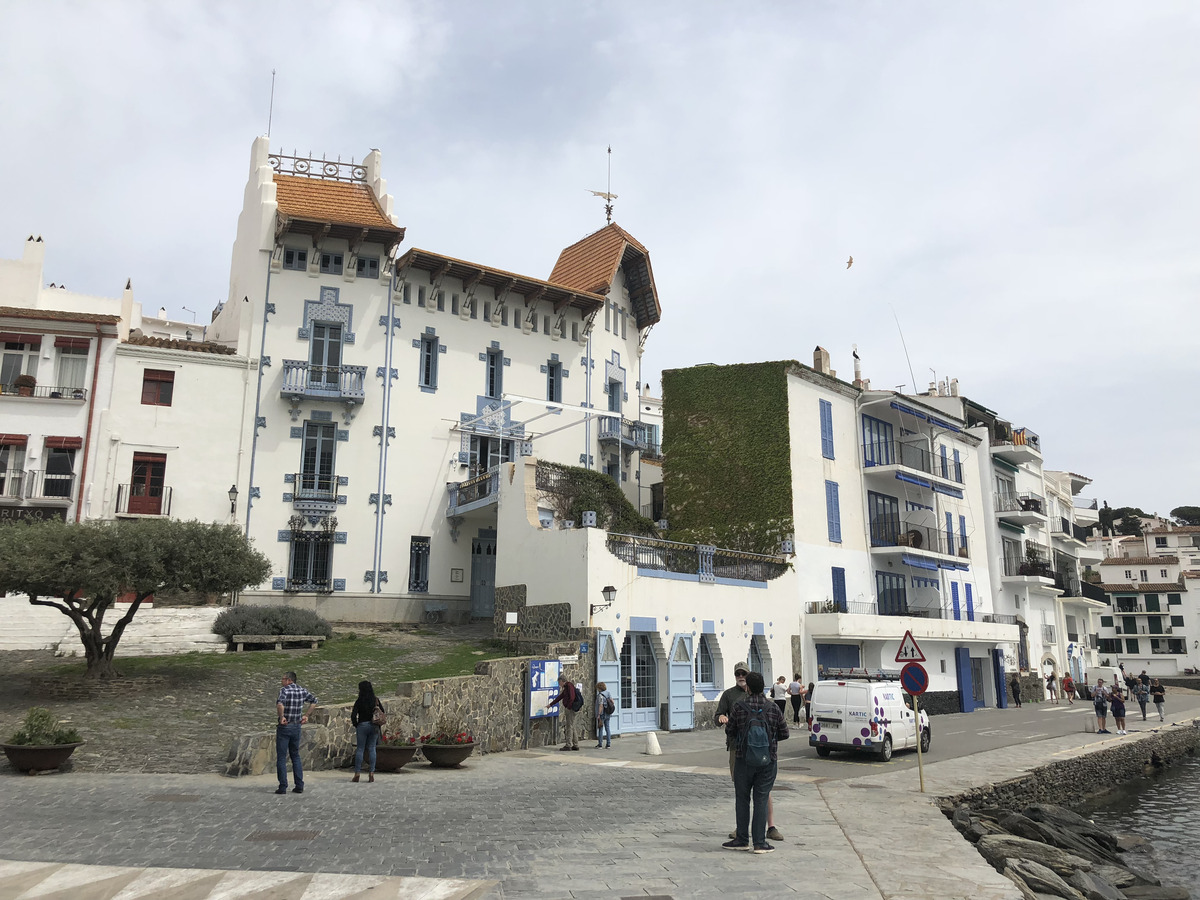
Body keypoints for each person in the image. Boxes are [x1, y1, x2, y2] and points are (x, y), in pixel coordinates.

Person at [715, 662, 784, 844]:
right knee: (761, 795)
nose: (740, 676)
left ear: (749, 686)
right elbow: (784, 733)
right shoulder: (772, 707)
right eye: (737, 673)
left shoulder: (739, 707)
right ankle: (759, 841)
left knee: (744, 795)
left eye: (743, 673)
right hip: (766, 756)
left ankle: (746, 836)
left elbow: (730, 730)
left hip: (742, 755)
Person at [276, 671, 317, 794]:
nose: (282, 681)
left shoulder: (284, 691)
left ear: (289, 680)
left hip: (285, 726)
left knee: (282, 757)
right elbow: (314, 701)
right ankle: (299, 784)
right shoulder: (302, 690)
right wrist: (306, 715)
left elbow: (280, 704)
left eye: (283, 679)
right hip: (297, 726)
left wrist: (281, 716)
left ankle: (283, 786)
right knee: (295, 755)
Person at [350, 679, 383, 782]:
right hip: (374, 726)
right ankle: (371, 773)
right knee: (372, 748)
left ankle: (357, 774)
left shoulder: (359, 701)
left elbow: (353, 715)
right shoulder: (375, 700)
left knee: (360, 749)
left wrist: (357, 725)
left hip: (362, 725)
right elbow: (383, 711)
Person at [548, 673, 580, 751]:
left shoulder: (569, 686)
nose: (559, 684)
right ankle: (575, 744)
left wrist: (568, 707)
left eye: (559, 683)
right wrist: (551, 704)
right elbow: (560, 697)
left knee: (569, 726)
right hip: (572, 708)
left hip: (571, 709)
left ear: (562, 681)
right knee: (572, 726)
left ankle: (569, 744)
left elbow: (572, 697)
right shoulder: (566, 687)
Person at [595, 681, 614, 749]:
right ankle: (608, 744)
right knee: (607, 728)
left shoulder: (600, 695)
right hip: (608, 713)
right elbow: (612, 701)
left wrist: (598, 714)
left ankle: (600, 744)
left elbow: (601, 705)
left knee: (600, 728)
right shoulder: (608, 693)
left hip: (602, 713)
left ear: (599, 688)